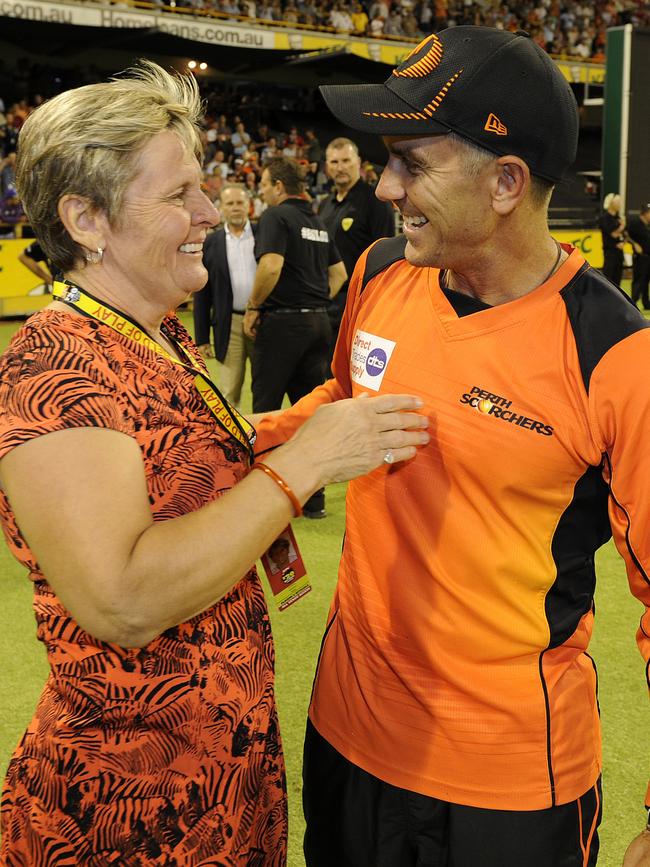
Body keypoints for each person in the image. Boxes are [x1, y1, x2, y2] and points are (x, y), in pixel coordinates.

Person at [0, 61, 429, 864]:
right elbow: (122, 598)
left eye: (206, 187)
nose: (208, 212)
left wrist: (315, 420)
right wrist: (299, 467)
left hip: (218, 775)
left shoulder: (150, 329)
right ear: (85, 218)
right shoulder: (53, 366)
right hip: (126, 805)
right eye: (178, 196)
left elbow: (192, 458)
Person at [252, 27, 650, 866]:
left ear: (507, 181)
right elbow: (344, 399)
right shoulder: (380, 272)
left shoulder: (617, 355)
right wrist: (238, 439)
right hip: (348, 739)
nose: (386, 186)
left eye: (412, 162)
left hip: (512, 785)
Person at [244, 156, 347, 519]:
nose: (260, 190)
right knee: (309, 413)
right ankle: (313, 499)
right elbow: (339, 274)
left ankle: (261, 501)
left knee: (267, 409)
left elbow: (271, 265)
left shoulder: (275, 216)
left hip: (283, 325)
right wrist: (315, 301)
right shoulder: (317, 220)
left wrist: (255, 306)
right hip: (318, 324)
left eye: (264, 183)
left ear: (278, 186)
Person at [318, 137, 396, 361]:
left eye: (345, 160)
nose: (340, 167)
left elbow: (386, 256)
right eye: (334, 162)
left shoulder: (375, 202)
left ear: (358, 162)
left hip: (358, 305)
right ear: (326, 167)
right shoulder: (325, 205)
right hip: (328, 303)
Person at [193, 182, 257, 407]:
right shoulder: (211, 243)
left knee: (266, 388)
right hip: (228, 324)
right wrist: (201, 338)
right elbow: (202, 294)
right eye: (230, 203)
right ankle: (234, 441)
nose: (236, 207)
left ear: (248, 206)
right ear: (221, 208)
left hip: (261, 321)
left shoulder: (264, 235)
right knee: (230, 391)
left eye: (240, 203)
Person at [626, 202, 650, 310]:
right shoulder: (635, 223)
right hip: (640, 257)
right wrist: (634, 244)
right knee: (638, 280)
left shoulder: (647, 225)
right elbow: (625, 235)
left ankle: (646, 302)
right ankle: (633, 303)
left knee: (646, 281)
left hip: (648, 257)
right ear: (645, 213)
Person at [598, 192, 626, 285]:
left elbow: (624, 234)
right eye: (617, 202)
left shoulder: (618, 218)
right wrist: (622, 226)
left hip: (619, 253)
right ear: (611, 203)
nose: (620, 204)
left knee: (618, 279)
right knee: (609, 279)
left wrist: (623, 242)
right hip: (610, 253)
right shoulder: (604, 218)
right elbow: (613, 234)